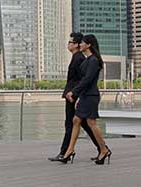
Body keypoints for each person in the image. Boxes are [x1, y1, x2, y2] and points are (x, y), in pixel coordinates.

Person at [56, 34, 112, 165]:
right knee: (76, 120)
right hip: (85, 95)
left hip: (91, 96)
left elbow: (87, 80)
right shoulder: (88, 60)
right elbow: (82, 79)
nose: (80, 44)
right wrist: (78, 96)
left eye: (82, 43)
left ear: (89, 45)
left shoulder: (94, 61)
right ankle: (69, 151)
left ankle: (104, 150)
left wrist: (74, 92)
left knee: (91, 123)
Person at [48, 32, 100, 162]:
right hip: (74, 94)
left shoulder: (80, 59)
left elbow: (84, 79)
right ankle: (101, 149)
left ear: (77, 45)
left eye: (71, 42)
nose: (68, 44)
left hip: (76, 95)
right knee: (82, 124)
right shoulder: (78, 57)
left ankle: (65, 152)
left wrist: (75, 94)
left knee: (72, 124)